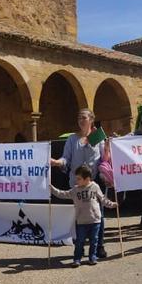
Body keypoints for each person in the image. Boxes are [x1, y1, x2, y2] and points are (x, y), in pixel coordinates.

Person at [49, 108, 109, 258]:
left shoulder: (97, 136)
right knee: (79, 216)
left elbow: (104, 159)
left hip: (94, 183)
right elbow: (66, 158)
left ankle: (99, 246)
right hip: (76, 183)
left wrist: (107, 148)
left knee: (98, 216)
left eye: (84, 117)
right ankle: (80, 248)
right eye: (79, 118)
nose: (81, 120)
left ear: (91, 120)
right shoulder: (72, 139)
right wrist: (57, 162)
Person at [50, 165, 117, 267]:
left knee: (94, 240)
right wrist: (52, 189)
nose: (76, 181)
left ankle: (92, 257)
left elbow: (103, 199)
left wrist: (112, 204)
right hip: (81, 221)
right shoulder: (75, 190)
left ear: (87, 179)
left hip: (95, 221)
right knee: (80, 242)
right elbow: (62, 194)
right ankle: (77, 259)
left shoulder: (95, 187)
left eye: (79, 179)